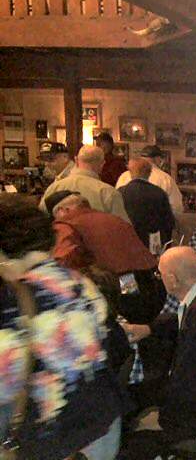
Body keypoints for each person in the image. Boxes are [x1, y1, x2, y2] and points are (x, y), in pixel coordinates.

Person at [0, 193, 122, 460]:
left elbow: (5, 381)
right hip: (100, 424)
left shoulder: (13, 299)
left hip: (50, 437)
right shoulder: (79, 282)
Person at [119, 247, 196, 459]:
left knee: (129, 426)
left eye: (160, 275)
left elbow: (188, 382)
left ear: (172, 279)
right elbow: (179, 319)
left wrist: (162, 419)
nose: (159, 279)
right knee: (135, 396)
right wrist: (148, 329)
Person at [48, 191, 163, 324]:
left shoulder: (66, 224)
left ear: (63, 210)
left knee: (123, 321)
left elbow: (63, 259)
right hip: (147, 276)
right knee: (138, 318)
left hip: (118, 281)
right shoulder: (112, 218)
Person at [40, 144, 131, 223]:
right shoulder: (108, 193)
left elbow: (41, 217)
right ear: (102, 164)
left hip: (62, 237)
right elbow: (123, 228)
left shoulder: (54, 187)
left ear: (76, 160)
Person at [118, 157, 175, 254]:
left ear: (130, 172)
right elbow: (168, 223)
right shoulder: (158, 193)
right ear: (149, 173)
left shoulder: (120, 192)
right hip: (152, 243)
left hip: (127, 241)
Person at [116, 145, 183, 217]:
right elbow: (176, 208)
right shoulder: (166, 179)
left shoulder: (124, 176)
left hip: (126, 221)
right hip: (154, 221)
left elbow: (116, 201)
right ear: (158, 159)